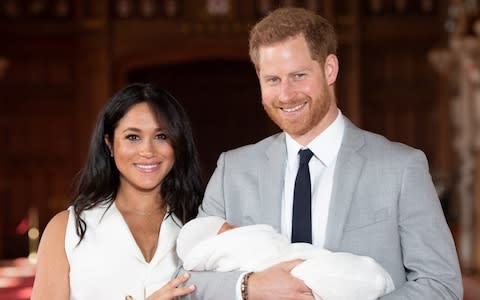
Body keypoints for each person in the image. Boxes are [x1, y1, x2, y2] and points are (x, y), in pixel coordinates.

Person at [180, 7, 463, 300]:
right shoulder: (232, 171)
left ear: (330, 69)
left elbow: (441, 284)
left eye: (298, 76)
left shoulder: (401, 168)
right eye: (273, 80)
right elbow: (185, 283)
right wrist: (249, 287)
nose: (286, 94)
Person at [31, 83, 203, 300]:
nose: (148, 151)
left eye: (161, 136)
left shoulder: (200, 223)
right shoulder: (66, 230)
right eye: (133, 137)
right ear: (109, 144)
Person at [177, 216, 395, 300]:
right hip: (299, 270)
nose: (238, 227)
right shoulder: (228, 168)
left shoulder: (403, 164)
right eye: (231, 227)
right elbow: (184, 281)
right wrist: (248, 286)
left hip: (303, 261)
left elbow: (428, 278)